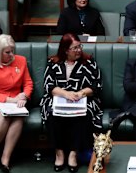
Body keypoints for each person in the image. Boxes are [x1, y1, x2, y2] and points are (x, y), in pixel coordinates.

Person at [40, 33, 103, 172]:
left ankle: (74, 154)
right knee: (51, 112)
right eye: (74, 48)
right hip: (57, 98)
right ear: (65, 50)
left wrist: (80, 93)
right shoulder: (53, 62)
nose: (79, 50)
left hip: (83, 99)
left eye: (79, 46)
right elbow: (49, 86)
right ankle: (59, 153)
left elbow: (96, 86)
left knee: (83, 113)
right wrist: (66, 94)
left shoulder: (89, 62)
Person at [0, 35, 33, 172]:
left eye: (12, 51)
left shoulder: (21, 61)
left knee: (19, 118)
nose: (12, 55)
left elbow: (28, 83)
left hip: (16, 101)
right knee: (3, 117)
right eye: (7, 52)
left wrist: (24, 96)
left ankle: (5, 158)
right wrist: (11, 100)